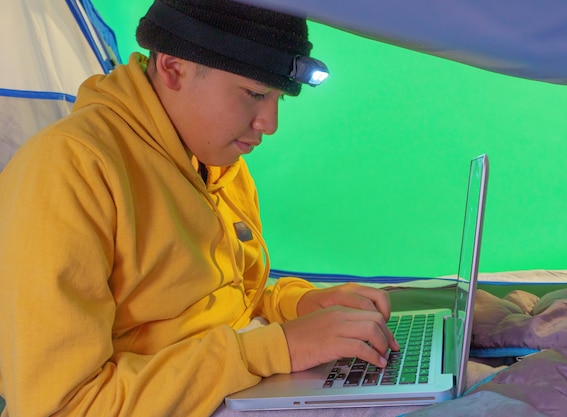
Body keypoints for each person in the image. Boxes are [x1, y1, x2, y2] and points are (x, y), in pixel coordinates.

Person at [0, 1, 418, 416]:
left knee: (457, 382)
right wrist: (275, 348)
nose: (269, 123)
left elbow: (228, 302)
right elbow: (60, 409)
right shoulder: (70, 169)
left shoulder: (215, 163)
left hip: (243, 387)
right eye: (254, 93)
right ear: (173, 67)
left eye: (278, 99)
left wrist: (296, 306)